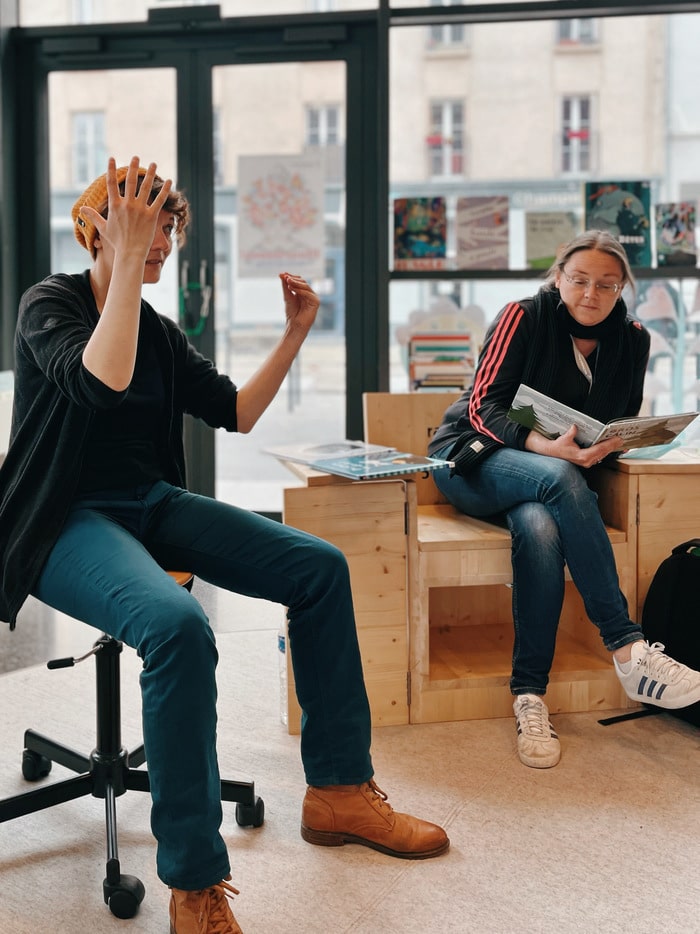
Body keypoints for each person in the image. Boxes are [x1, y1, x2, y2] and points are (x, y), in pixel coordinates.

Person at [0, 158, 449, 934]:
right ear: (91, 227)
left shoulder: (163, 337)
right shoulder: (51, 304)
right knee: (177, 626)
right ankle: (194, 883)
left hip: (150, 504)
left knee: (317, 567)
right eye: (142, 220)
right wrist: (126, 270)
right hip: (61, 519)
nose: (162, 238)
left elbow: (236, 412)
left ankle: (339, 792)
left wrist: (296, 334)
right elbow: (98, 382)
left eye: (168, 227)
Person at [427, 229, 700, 770]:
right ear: (558, 277)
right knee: (556, 477)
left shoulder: (634, 339)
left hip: (552, 481)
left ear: (622, 288)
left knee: (541, 527)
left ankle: (529, 696)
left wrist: (619, 441)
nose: (590, 294)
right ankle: (627, 648)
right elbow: (483, 407)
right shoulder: (523, 316)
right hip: (473, 458)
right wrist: (545, 447)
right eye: (578, 280)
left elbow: (615, 418)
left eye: (606, 284)